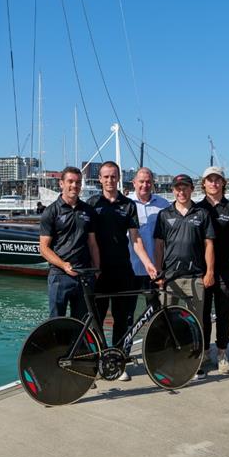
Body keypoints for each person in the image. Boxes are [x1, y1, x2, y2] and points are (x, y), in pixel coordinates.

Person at [88, 161, 157, 382]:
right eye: (106, 177)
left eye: (113, 176)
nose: (110, 180)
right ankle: (98, 361)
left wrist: (148, 262)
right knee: (96, 319)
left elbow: (136, 239)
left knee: (123, 319)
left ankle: (119, 361)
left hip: (123, 270)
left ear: (119, 178)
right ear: (100, 179)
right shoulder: (91, 204)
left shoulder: (128, 205)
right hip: (98, 272)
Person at [154, 173, 215, 379]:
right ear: (173, 190)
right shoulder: (164, 214)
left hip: (195, 276)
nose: (181, 191)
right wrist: (158, 273)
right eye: (178, 188)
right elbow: (159, 245)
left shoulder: (202, 214)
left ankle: (194, 363)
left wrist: (209, 272)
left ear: (192, 189)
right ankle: (165, 359)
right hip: (169, 277)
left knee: (195, 323)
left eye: (185, 187)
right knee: (166, 321)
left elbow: (209, 245)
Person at [196, 166, 229, 375]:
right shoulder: (197, 208)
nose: (214, 183)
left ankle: (222, 352)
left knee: (224, 313)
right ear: (204, 183)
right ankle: (204, 351)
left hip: (224, 269)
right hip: (201, 269)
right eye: (210, 180)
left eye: (217, 180)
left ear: (223, 183)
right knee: (202, 314)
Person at [39, 166, 101, 319]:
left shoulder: (88, 211)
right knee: (56, 321)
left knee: (81, 323)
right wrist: (64, 265)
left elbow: (92, 243)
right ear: (61, 184)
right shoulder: (51, 212)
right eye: (70, 181)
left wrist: (97, 269)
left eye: (78, 182)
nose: (74, 185)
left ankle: (77, 344)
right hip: (60, 275)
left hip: (84, 275)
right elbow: (44, 248)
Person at [128, 167, 171, 292]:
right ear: (134, 183)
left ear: (152, 183)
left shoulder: (163, 205)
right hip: (131, 267)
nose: (145, 185)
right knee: (127, 309)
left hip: (156, 267)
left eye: (148, 182)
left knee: (155, 308)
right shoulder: (127, 204)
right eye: (141, 181)